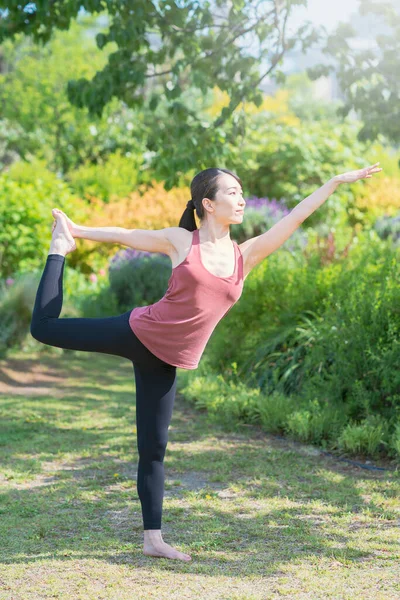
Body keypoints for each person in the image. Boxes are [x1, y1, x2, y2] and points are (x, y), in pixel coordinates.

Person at [30, 163, 382, 562]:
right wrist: (74, 231)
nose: (242, 198)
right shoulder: (183, 241)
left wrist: (334, 182)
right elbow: (128, 236)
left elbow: (296, 216)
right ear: (208, 204)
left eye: (242, 191)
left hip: (166, 361)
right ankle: (57, 251)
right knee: (43, 329)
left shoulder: (245, 255)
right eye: (233, 192)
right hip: (137, 331)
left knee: (154, 447)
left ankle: (153, 539)